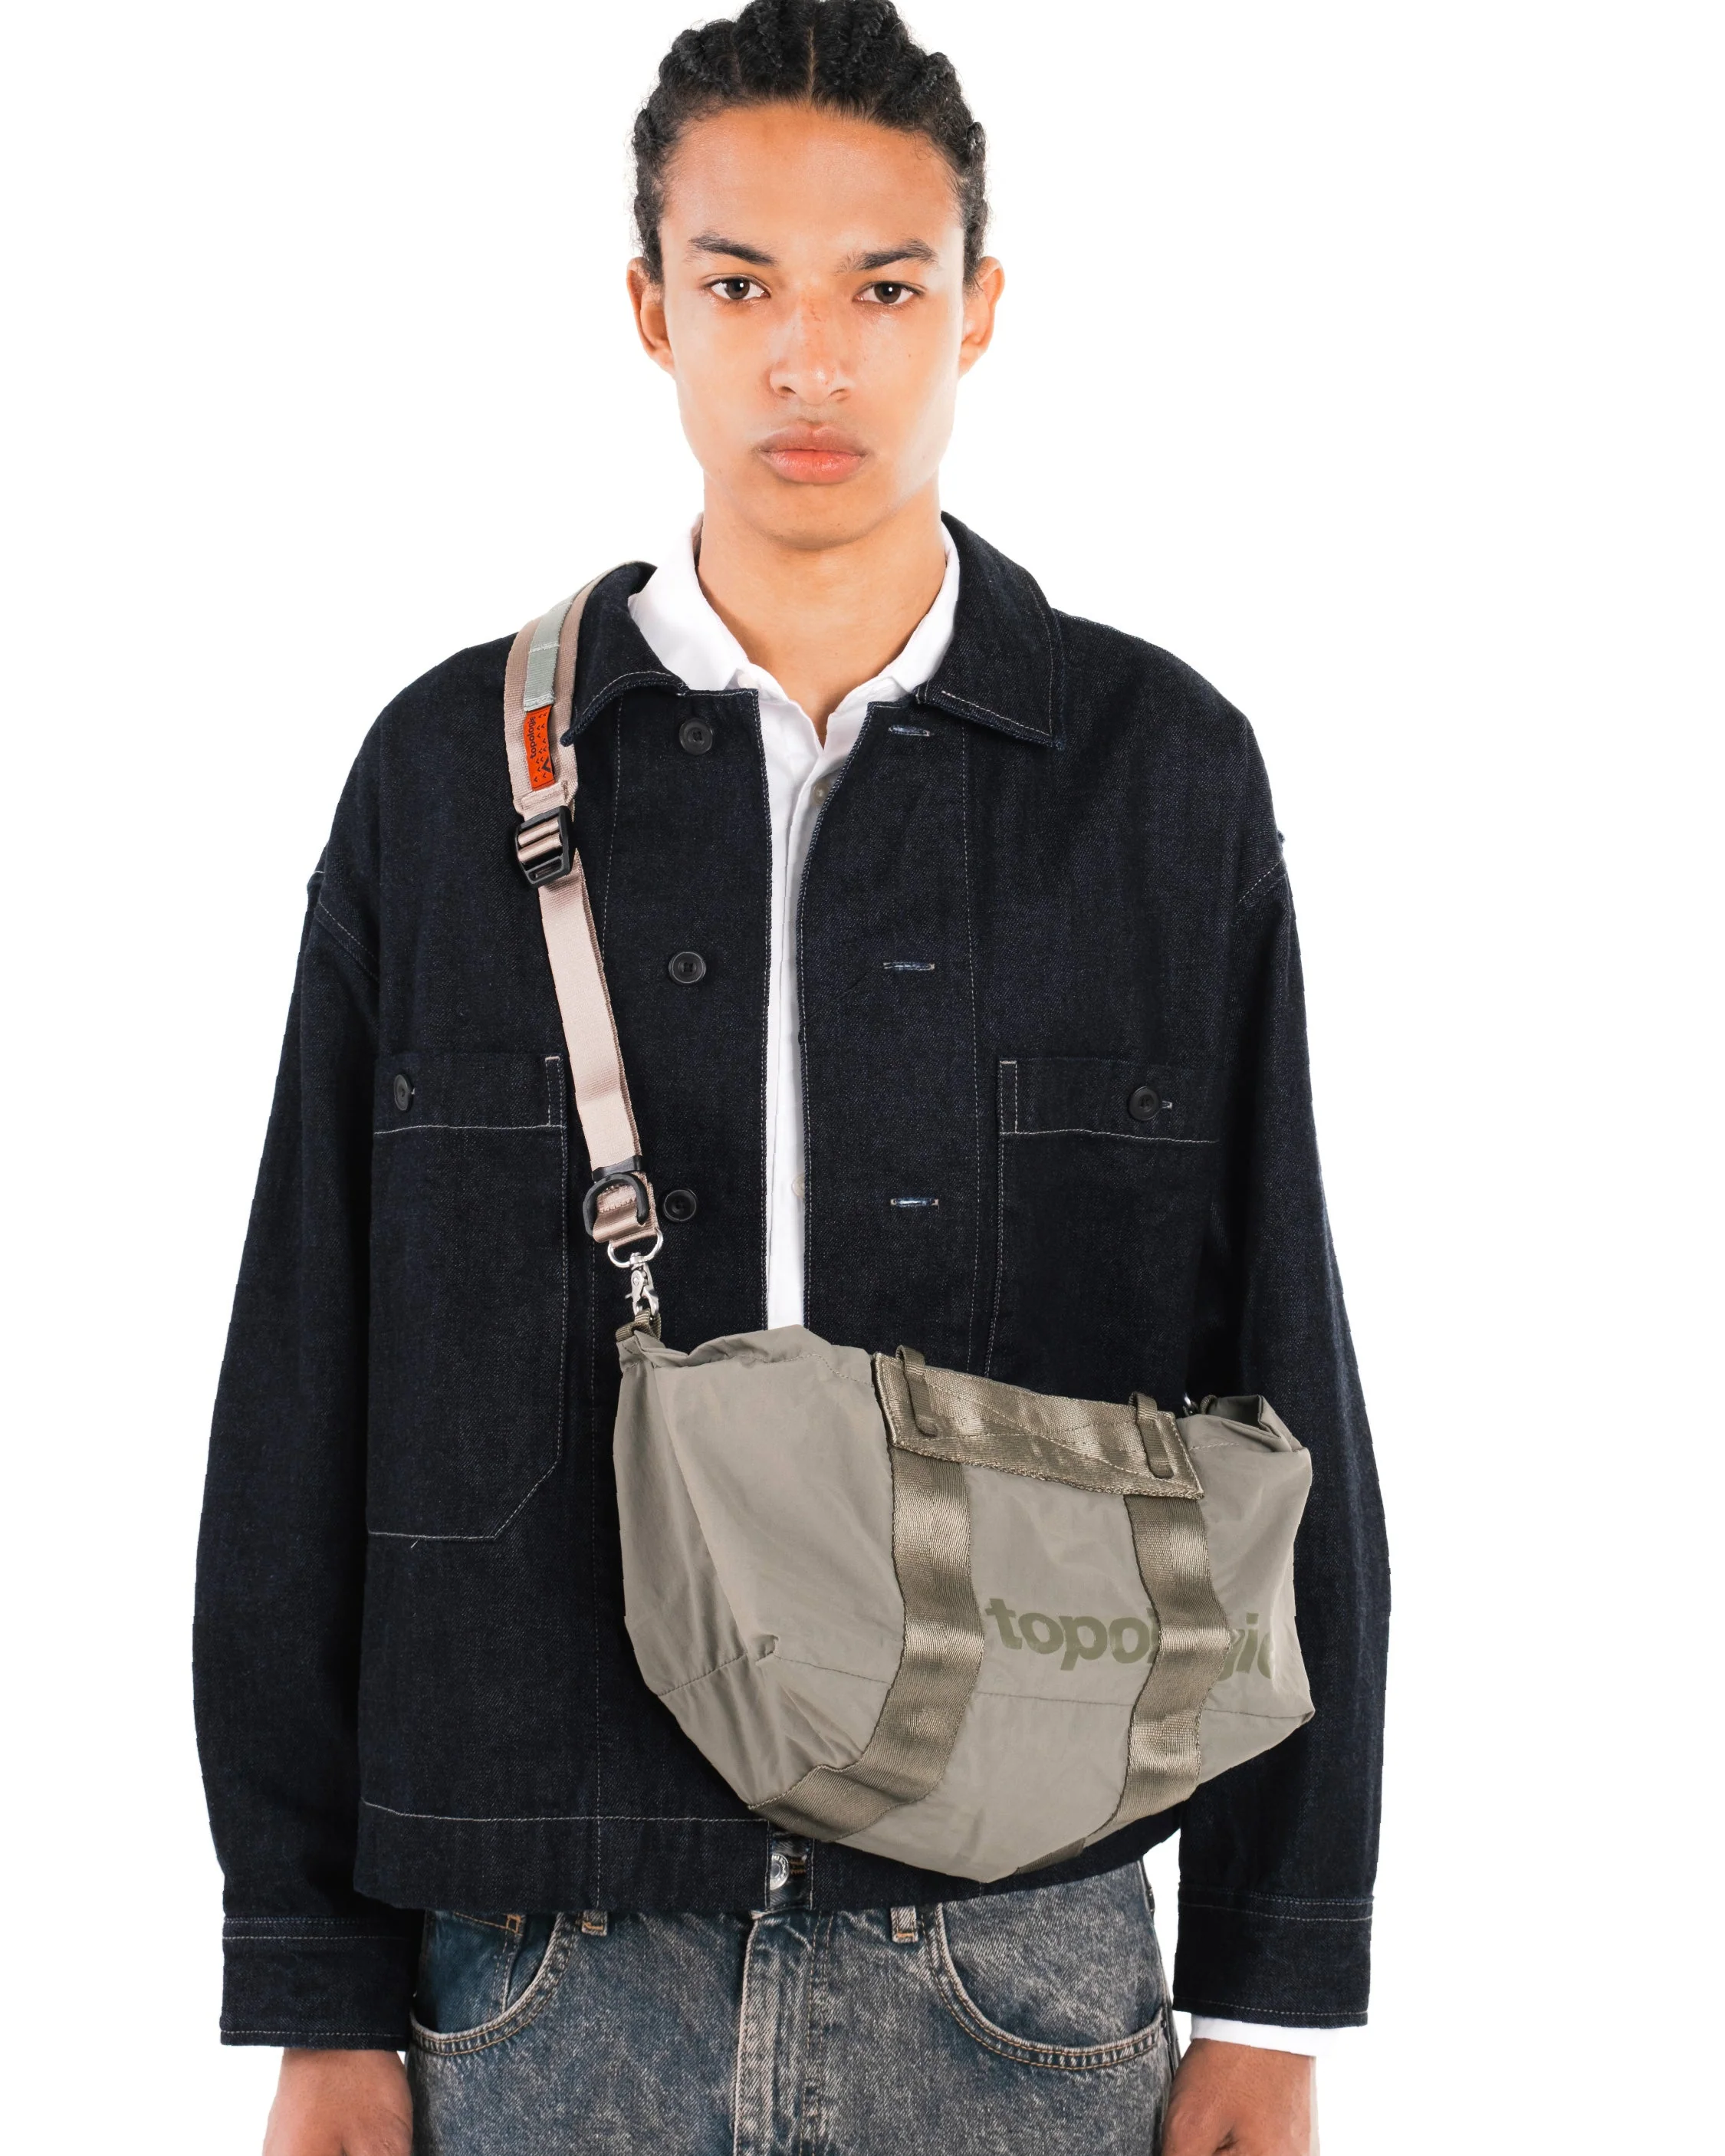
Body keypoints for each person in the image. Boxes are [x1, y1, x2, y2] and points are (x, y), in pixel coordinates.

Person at [194, 5, 1389, 2151]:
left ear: (981, 309)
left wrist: (1274, 1985)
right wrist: (311, 1981)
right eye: (742, 285)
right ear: (651, 309)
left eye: (883, 289)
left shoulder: (1158, 778)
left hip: (1019, 1965)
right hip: (529, 1969)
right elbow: (306, 1376)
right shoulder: (446, 775)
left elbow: (1282, 1372)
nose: (810, 361)